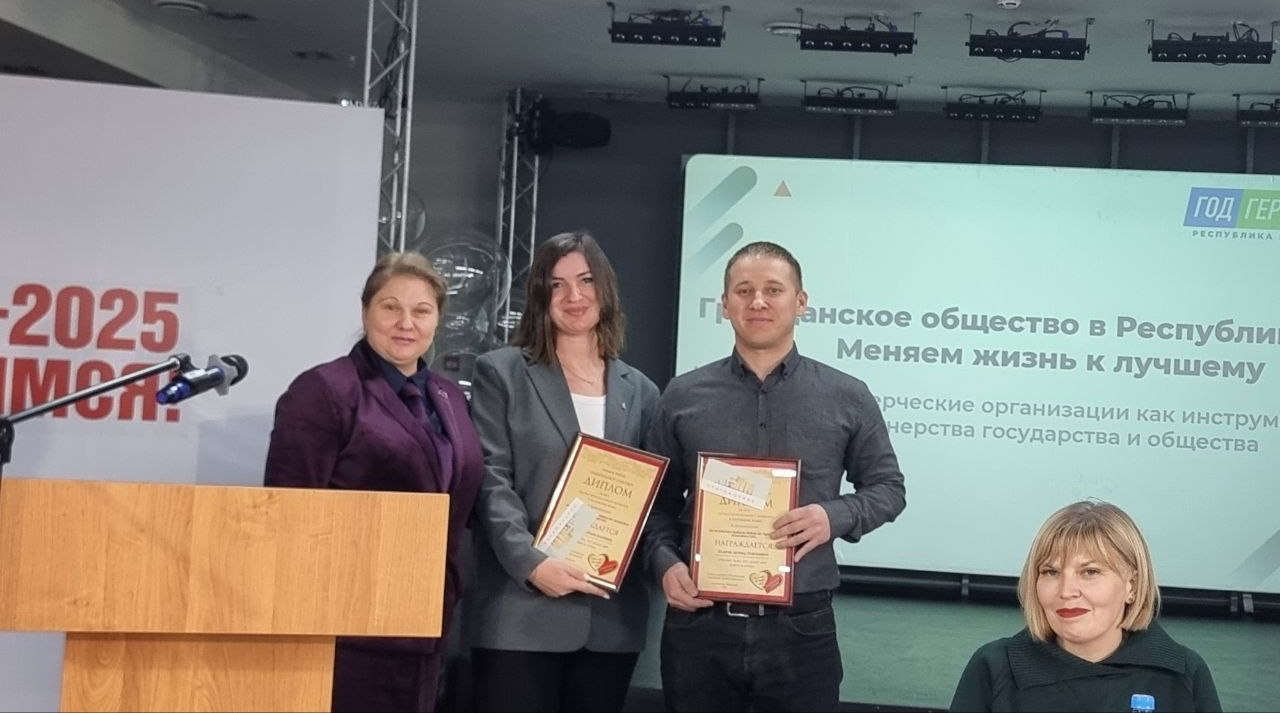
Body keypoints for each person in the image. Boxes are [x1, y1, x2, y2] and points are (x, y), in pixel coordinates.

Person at [643, 240, 907, 712]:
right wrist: (665, 563)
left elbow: (888, 488)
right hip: (699, 627)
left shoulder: (848, 395)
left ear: (800, 301)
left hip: (802, 627)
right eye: (744, 290)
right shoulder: (682, 396)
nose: (758, 302)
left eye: (773, 289)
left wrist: (832, 516)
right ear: (725, 304)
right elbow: (654, 505)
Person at [264, 252, 485, 713]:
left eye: (421, 310)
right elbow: (288, 513)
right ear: (366, 311)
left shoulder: (449, 397)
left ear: (437, 320)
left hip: (428, 620)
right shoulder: (324, 390)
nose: (406, 323)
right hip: (347, 627)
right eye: (390, 307)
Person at [467, 231, 661, 712]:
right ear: (540, 296)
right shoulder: (501, 373)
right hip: (520, 613)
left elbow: (651, 504)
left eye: (586, 280)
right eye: (557, 285)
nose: (574, 296)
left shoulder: (641, 390)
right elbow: (491, 481)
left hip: (610, 621)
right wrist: (532, 565)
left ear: (606, 289)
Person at [949, 500, 1223, 712]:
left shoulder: (1183, 673)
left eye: (1090, 572)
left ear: (1132, 585)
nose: (1066, 592)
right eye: (1051, 572)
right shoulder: (995, 667)